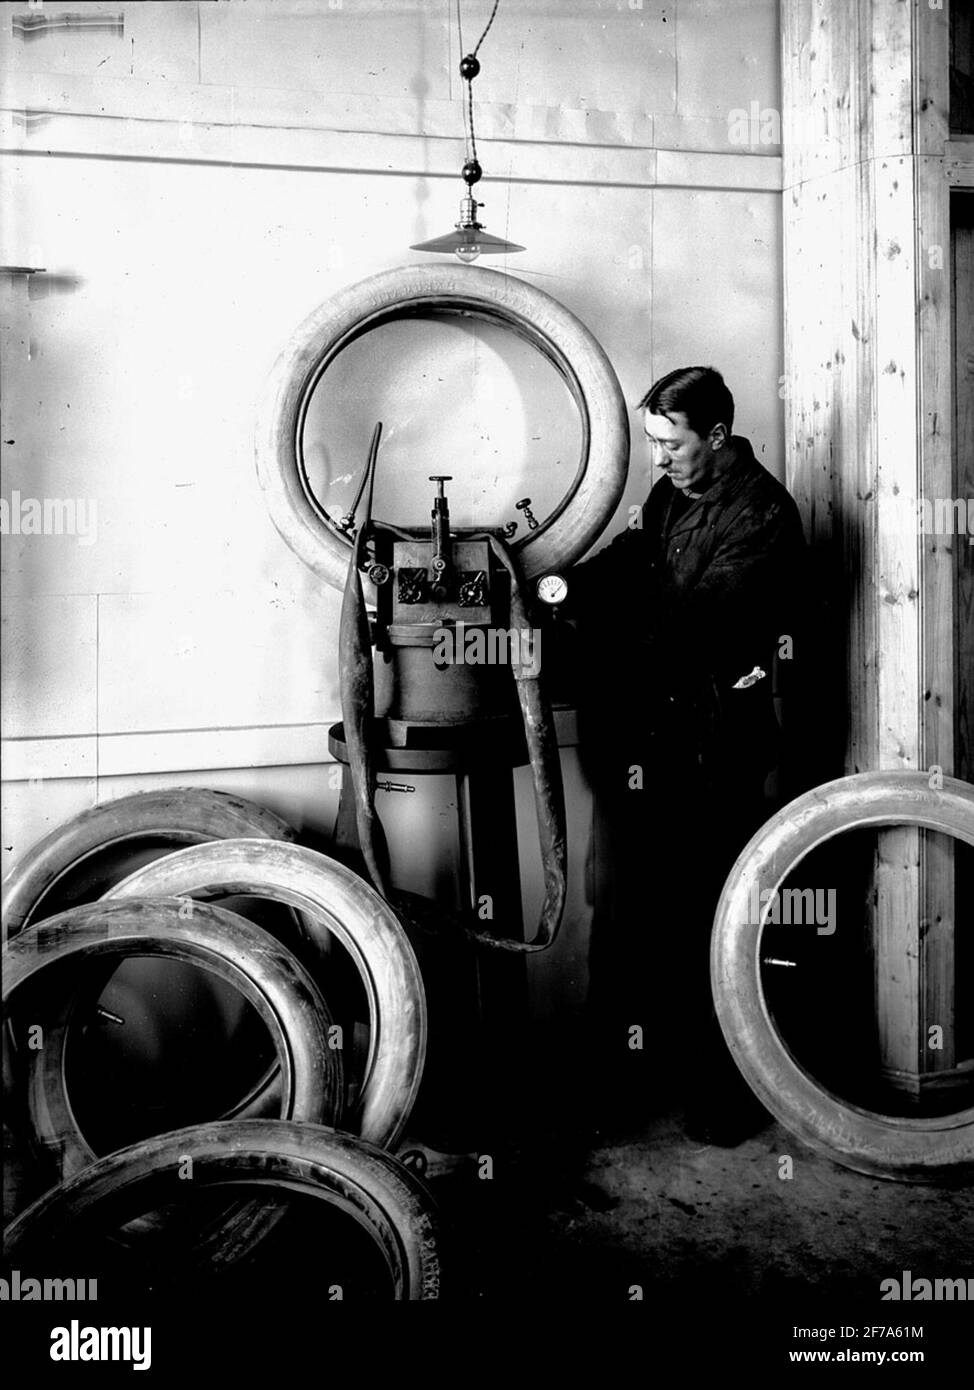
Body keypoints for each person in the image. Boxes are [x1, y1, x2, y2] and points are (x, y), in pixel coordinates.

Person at [563, 366, 807, 1143]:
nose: (659, 459)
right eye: (652, 443)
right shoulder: (672, 496)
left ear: (718, 436)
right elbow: (632, 561)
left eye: (672, 444)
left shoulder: (763, 514)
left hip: (715, 753)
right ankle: (623, 1089)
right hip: (650, 741)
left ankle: (721, 1099)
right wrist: (558, 588)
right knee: (630, 918)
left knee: (715, 923)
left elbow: (698, 628)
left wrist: (599, 639)